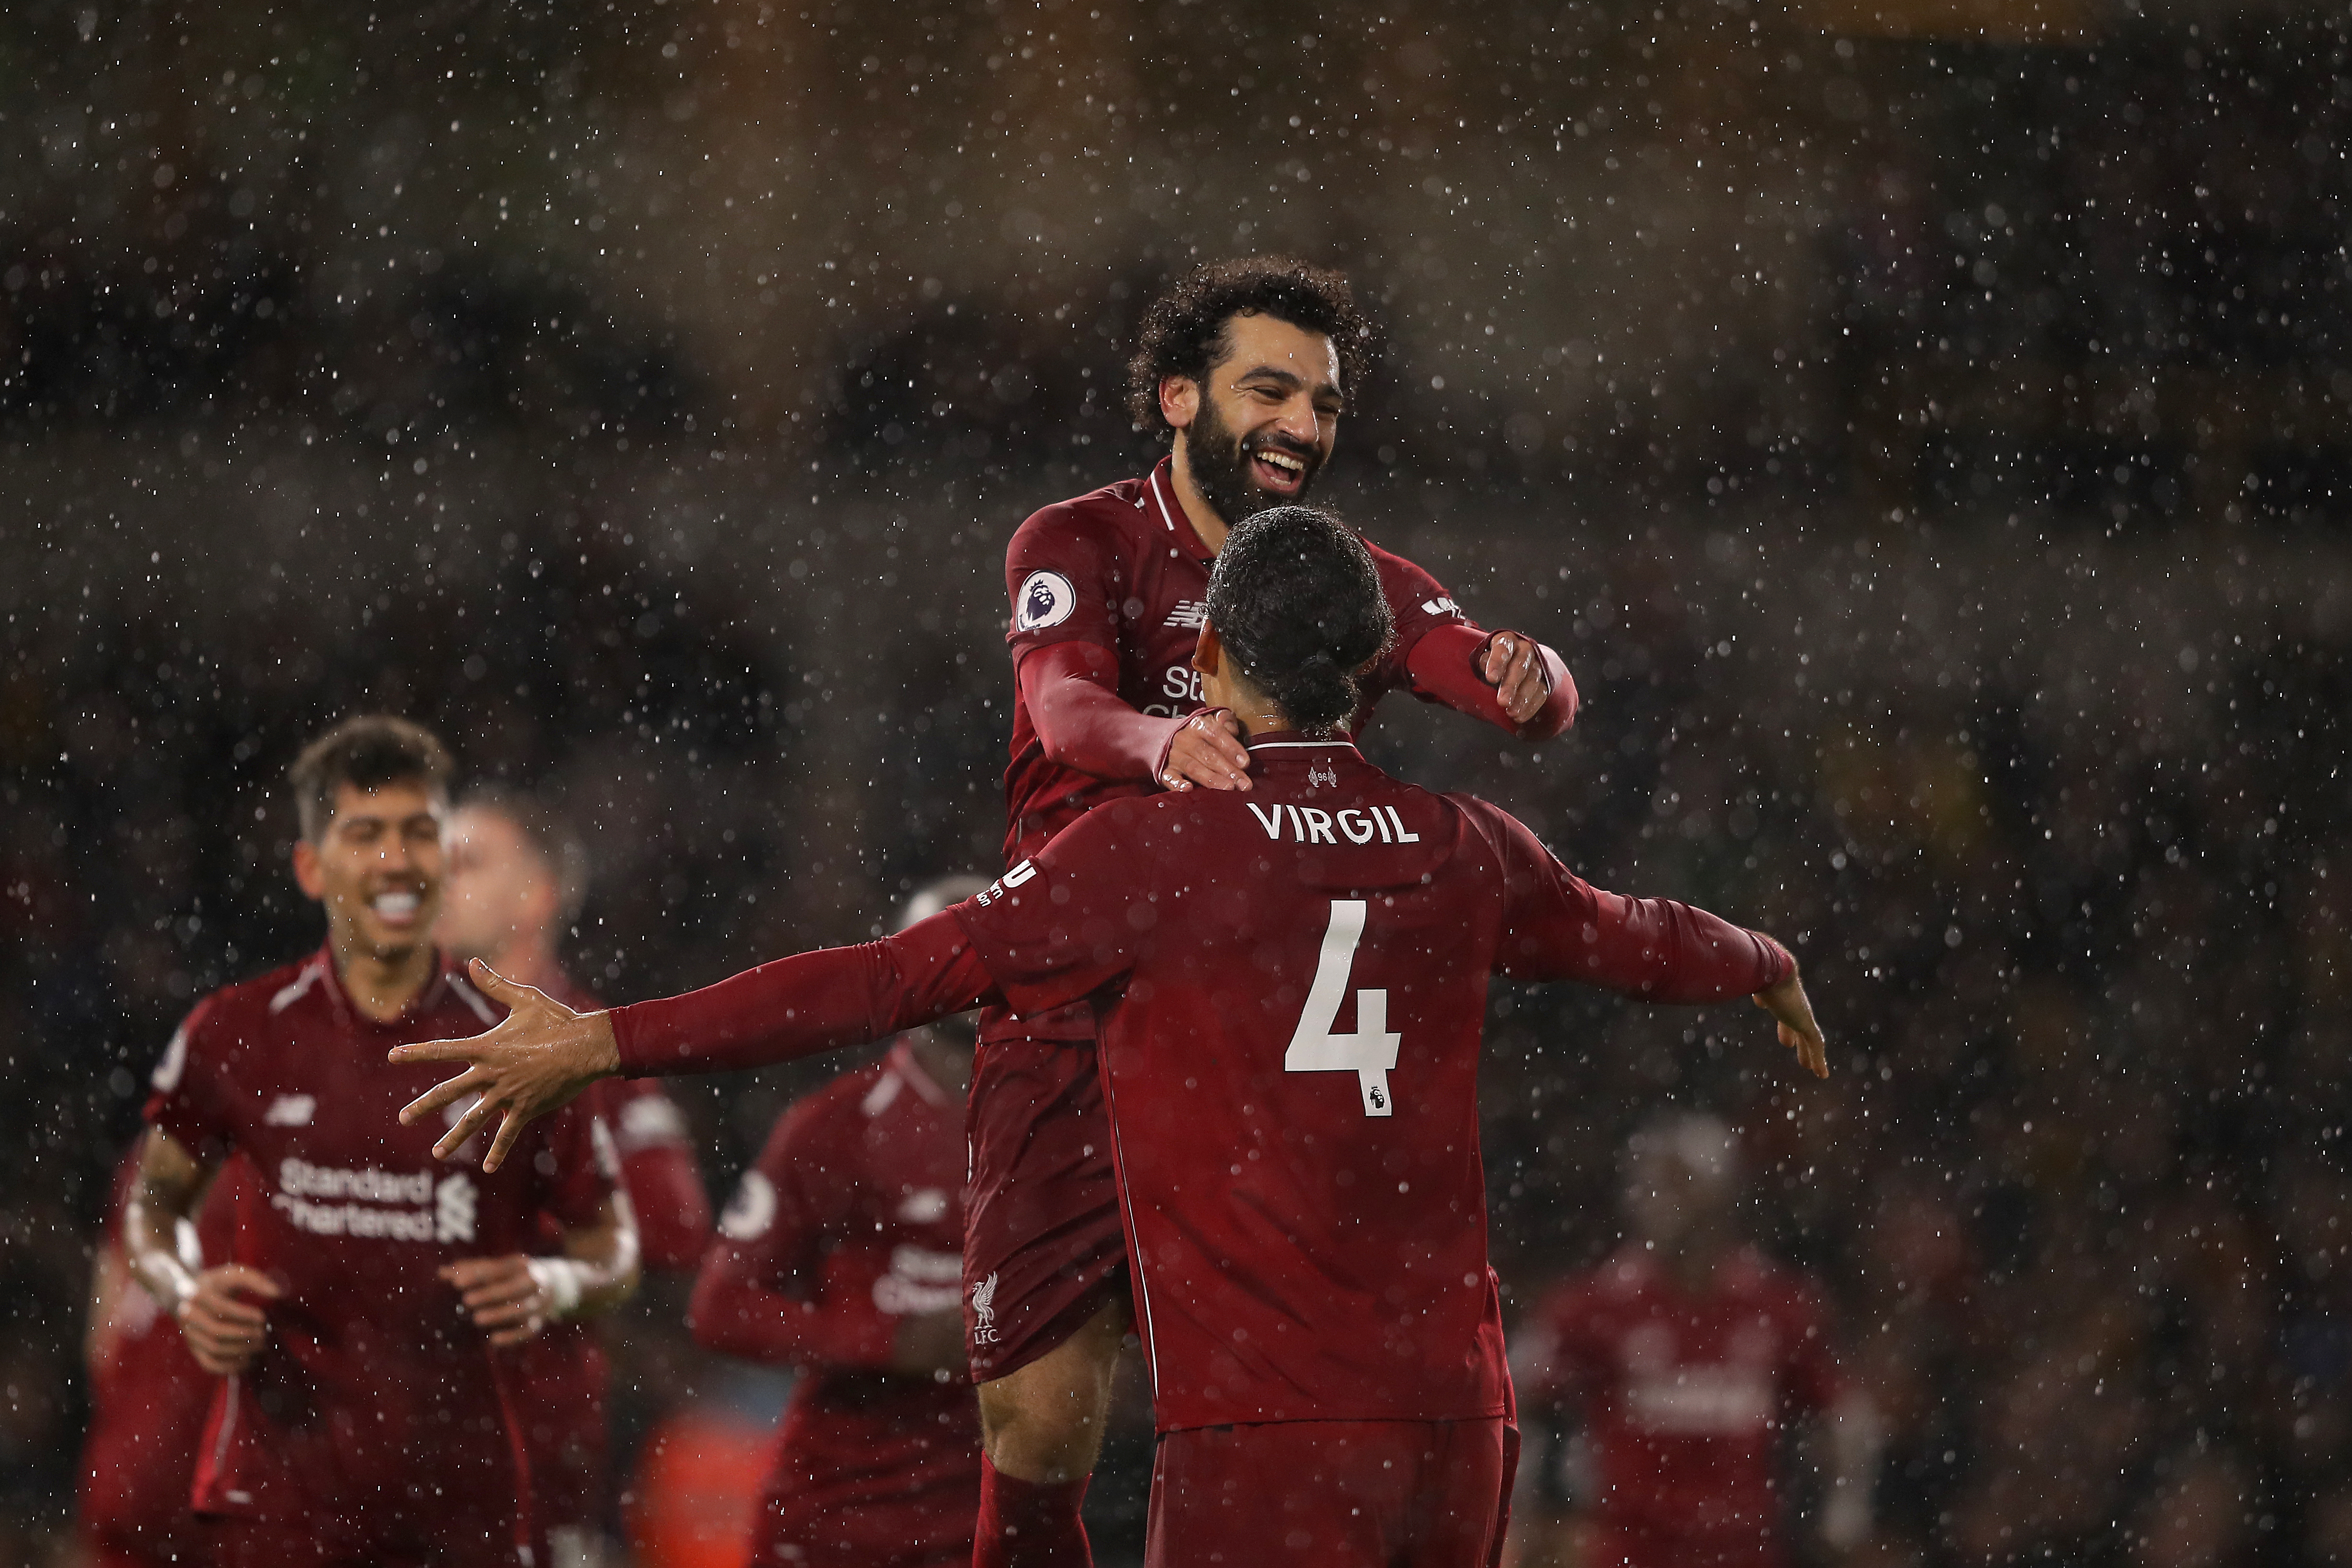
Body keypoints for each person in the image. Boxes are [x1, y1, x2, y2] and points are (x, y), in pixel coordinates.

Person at [392, 507, 1828, 1568]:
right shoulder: (1464, 844)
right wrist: (1764, 960)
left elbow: (884, 979)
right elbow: (1637, 932)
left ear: (1205, 654)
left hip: (1267, 1418)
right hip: (1459, 1413)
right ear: (1378, 664)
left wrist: (609, 1039)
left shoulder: (1151, 854)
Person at [971, 256, 1579, 1562]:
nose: (1304, 423)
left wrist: (1529, 679)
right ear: (1179, 396)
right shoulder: (1071, 541)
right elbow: (1064, 707)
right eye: (1270, 389)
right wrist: (1157, 741)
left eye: (1325, 401)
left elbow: (1479, 667)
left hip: (1249, 1041)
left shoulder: (1334, 577)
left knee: (1280, 1415)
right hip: (1070, 1018)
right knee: (1036, 1431)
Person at [124, 715, 642, 1568]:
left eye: (419, 833)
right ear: (310, 866)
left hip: (462, 1507)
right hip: (278, 1502)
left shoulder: (522, 1044)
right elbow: (155, 1204)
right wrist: (184, 1291)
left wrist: (553, 1283)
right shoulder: (236, 1034)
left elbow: (614, 1247)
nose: (396, 860)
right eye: (365, 835)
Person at [440, 788, 714, 1567]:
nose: (433, 879)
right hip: (381, 1435)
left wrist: (530, 1246)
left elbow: (673, 1224)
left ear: (535, 896)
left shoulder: (594, 1049)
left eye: (466, 862)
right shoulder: (389, 1039)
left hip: (527, 1436)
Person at [689, 875, 990, 1568]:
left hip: (1002, 1515)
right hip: (843, 1511)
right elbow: (720, 1307)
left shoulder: (1075, 1123)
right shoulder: (836, 1128)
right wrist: (888, 1340)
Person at [1510, 1112, 1882, 1568]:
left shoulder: (1779, 1306)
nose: (1656, 1201)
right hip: (1631, 1551)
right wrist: (1530, 1515)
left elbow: (1846, 1415)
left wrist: (1843, 1514)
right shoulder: (1592, 1306)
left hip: (1745, 1551)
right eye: (1649, 1183)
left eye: (1677, 1184)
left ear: (1721, 1194)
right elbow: (1515, 1403)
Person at [76, 1145, 254, 1568]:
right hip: (217, 1504)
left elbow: (99, 1342)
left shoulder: (154, 1154)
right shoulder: (275, 1161)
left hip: (129, 1486)